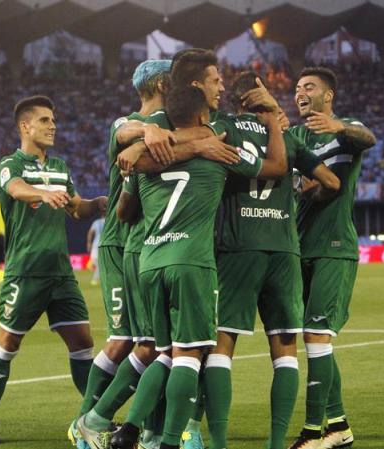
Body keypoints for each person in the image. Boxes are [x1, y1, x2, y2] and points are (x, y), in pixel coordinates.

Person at [72, 59, 239, 449]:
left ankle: (144, 430)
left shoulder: (165, 131)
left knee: (152, 346)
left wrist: (177, 139)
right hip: (130, 244)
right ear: (166, 83)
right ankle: (95, 420)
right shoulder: (131, 125)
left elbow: (142, 161)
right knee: (144, 344)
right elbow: (129, 143)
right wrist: (194, 140)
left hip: (148, 248)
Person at [111, 83, 288, 449]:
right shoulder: (220, 150)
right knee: (189, 356)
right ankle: (170, 442)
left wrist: (144, 141)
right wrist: (271, 124)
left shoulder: (150, 155)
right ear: (204, 117)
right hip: (192, 259)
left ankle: (128, 429)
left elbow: (124, 197)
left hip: (150, 258)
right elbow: (276, 167)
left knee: (163, 353)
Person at [203, 72, 340, 449]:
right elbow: (330, 182)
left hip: (237, 247)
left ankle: (217, 442)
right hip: (284, 248)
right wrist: (301, 197)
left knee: (221, 346)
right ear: (256, 94)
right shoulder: (289, 136)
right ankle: (277, 443)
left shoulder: (223, 127)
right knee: (284, 351)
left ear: (234, 99)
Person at [0, 95, 107, 444]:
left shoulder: (61, 167)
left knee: (83, 343)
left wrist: (100, 203)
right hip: (24, 273)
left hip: (61, 274)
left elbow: (77, 209)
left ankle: (92, 419)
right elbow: (14, 188)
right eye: (46, 120)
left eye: (54, 120)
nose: (54, 126)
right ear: (26, 126)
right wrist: (40, 193)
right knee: (7, 346)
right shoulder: (10, 165)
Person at [286, 67, 376, 449]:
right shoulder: (294, 137)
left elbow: (367, 138)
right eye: (297, 88)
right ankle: (339, 426)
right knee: (318, 341)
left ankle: (313, 433)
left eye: (309, 87)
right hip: (299, 246)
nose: (300, 93)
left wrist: (337, 127)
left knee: (315, 336)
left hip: (334, 246)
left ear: (329, 95)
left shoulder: (347, 129)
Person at [86, 212, 105, 286]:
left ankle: (91, 266)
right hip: (104, 244)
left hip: (95, 244)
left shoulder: (96, 222)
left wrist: (89, 243)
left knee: (96, 262)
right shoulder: (110, 221)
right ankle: (94, 279)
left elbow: (90, 232)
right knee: (100, 265)